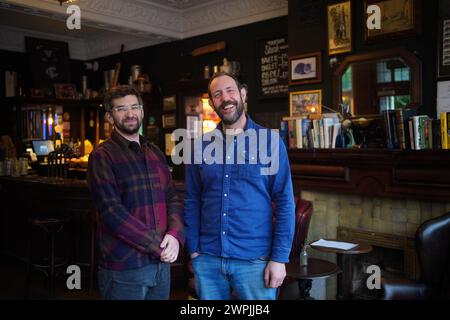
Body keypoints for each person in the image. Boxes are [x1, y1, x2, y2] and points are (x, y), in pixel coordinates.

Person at [183, 72, 295, 300]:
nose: (225, 98)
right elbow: (192, 200)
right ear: (213, 103)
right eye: (217, 94)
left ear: (243, 94)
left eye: (230, 90)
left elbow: (285, 203)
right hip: (208, 258)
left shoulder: (270, 143)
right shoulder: (199, 147)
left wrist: (279, 258)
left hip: (255, 261)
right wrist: (194, 250)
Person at [87, 85, 184, 300]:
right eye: (121, 109)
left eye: (135, 107)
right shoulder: (102, 156)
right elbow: (112, 213)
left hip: (161, 266)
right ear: (110, 117)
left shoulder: (155, 152)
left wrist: (175, 236)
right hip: (124, 267)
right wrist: (157, 246)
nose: (130, 114)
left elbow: (172, 198)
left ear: (141, 111)